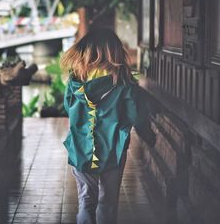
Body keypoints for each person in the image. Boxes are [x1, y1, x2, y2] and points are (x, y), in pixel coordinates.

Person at [60, 27, 156, 224]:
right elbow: (135, 115)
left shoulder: (75, 80)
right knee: (108, 203)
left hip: (81, 150)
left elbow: (68, 107)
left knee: (86, 201)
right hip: (113, 150)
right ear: (114, 52)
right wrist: (149, 136)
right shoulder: (123, 83)